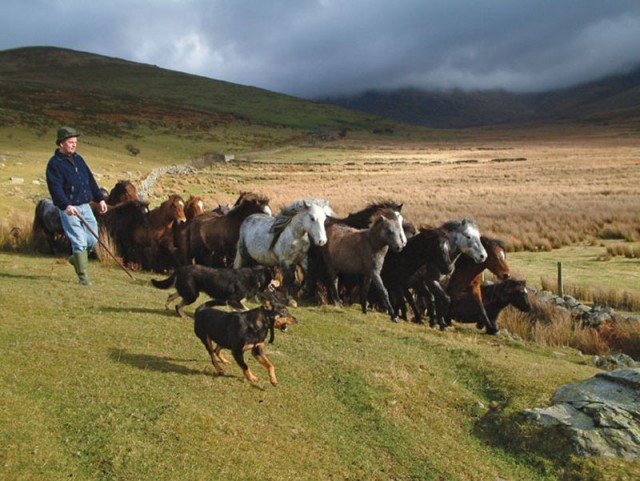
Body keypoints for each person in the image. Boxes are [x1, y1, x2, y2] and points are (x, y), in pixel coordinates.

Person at [46, 126, 108, 285]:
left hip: (85, 206)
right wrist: (65, 205)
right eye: (71, 142)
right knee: (78, 241)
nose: (74, 145)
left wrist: (100, 199)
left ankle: (76, 258)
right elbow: (55, 188)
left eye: (75, 142)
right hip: (69, 209)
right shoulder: (54, 164)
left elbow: (90, 179)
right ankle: (83, 277)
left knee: (92, 239)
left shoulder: (79, 159)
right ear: (61, 143)